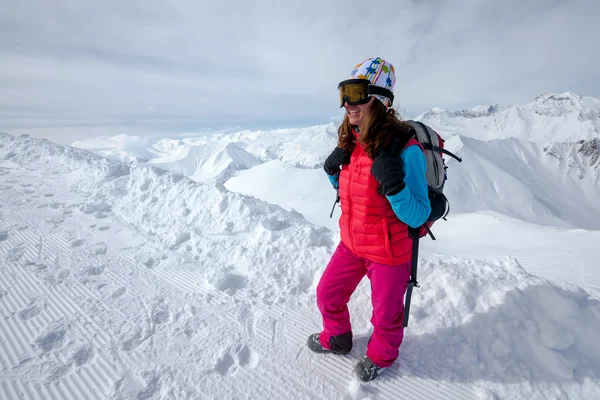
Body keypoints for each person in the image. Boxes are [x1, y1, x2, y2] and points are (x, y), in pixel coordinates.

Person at [307, 57, 431, 382]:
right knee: (327, 295)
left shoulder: (407, 150)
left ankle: (382, 356)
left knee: (386, 316)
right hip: (352, 243)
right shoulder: (352, 142)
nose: (347, 103)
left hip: (389, 253)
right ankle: (338, 338)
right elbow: (354, 194)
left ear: (381, 100)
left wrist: (396, 187)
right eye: (343, 93)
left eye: (356, 93)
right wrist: (335, 175)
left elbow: (419, 214)